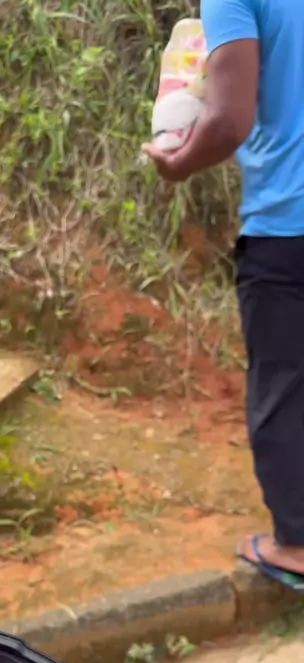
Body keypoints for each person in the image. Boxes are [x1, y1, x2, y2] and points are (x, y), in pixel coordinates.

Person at [142, 0, 304, 589]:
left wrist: (178, 164)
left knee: (283, 386)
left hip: (289, 223)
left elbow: (228, 122)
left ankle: (296, 545)